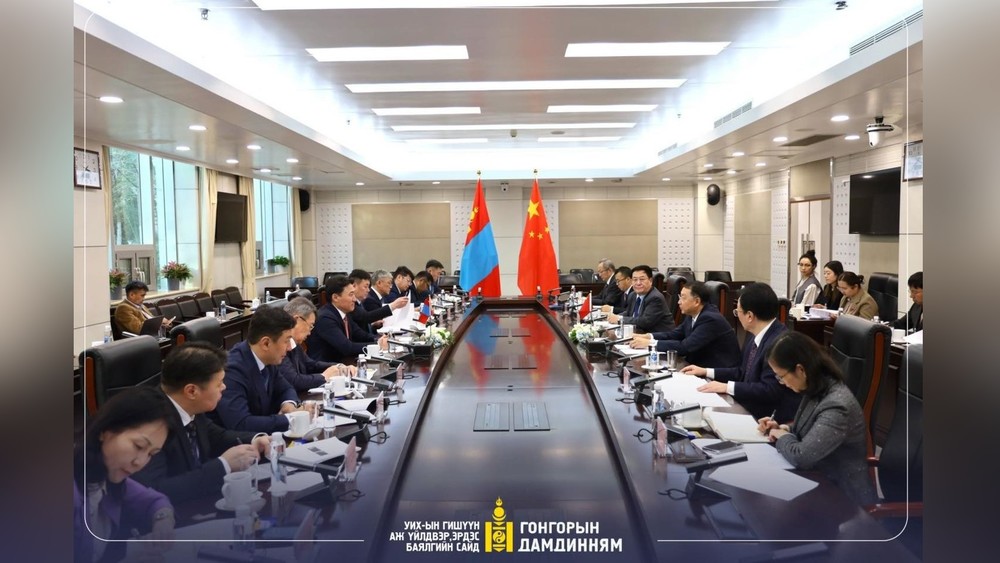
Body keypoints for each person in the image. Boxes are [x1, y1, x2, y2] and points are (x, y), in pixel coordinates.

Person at [132, 342, 272, 504]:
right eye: (219, 383)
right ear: (192, 391)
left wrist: (255, 440)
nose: (224, 387)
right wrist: (223, 465)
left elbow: (216, 436)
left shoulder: (189, 405)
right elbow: (157, 490)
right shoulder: (150, 424)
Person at [758, 332, 877, 506]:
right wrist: (783, 428)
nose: (781, 382)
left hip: (843, 499)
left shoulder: (837, 405)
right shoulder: (817, 387)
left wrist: (783, 436)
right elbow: (811, 428)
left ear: (800, 370)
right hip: (817, 482)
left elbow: (802, 457)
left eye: (781, 376)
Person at [74, 386, 175, 562]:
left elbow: (152, 501)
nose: (140, 462)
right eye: (139, 446)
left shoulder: (104, 473)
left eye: (151, 454)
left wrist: (163, 520)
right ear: (106, 431)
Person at [683, 282, 801, 423]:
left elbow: (769, 389)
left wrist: (727, 387)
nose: (737, 316)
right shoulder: (755, 335)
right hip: (750, 407)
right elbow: (742, 372)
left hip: (768, 419)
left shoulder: (779, 344)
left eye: (737, 312)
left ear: (749, 316)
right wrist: (705, 371)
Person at [211, 305, 306, 433]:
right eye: (286, 341)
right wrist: (290, 419)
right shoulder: (232, 370)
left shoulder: (268, 358)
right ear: (266, 343)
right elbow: (241, 424)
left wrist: (288, 404)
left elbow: (286, 388)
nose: (289, 348)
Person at [630, 281, 740, 369]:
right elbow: (675, 334)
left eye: (683, 297)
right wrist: (648, 336)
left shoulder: (710, 319)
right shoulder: (693, 313)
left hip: (717, 372)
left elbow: (685, 347)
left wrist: (650, 344)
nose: (679, 302)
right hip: (697, 365)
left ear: (696, 301)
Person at [306, 274, 388, 364]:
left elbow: (361, 335)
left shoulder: (344, 312)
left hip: (344, 362)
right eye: (351, 295)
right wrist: (378, 345)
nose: (354, 299)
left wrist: (379, 339)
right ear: (335, 297)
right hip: (327, 367)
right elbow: (347, 348)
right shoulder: (325, 318)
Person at [281, 297, 355, 391]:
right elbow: (294, 381)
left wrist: (338, 367)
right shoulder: (279, 345)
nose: (310, 333)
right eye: (310, 326)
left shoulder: (295, 343)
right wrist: (324, 376)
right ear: (296, 320)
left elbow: (311, 365)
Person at [606, 265, 673, 333]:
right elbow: (629, 312)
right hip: (639, 333)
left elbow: (644, 322)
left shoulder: (655, 298)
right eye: (635, 280)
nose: (638, 283)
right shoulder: (633, 295)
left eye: (642, 279)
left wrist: (619, 319)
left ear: (650, 281)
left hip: (657, 336)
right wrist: (615, 316)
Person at [348, 269, 407, 334]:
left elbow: (363, 321)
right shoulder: (358, 303)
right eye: (365, 287)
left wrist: (372, 325)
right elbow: (367, 317)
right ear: (354, 286)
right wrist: (393, 305)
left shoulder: (360, 302)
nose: (368, 290)